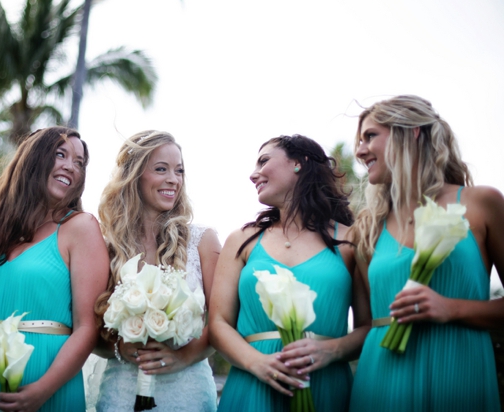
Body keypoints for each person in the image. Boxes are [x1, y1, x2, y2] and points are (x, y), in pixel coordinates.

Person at [349, 95, 503, 411]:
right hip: (381, 379)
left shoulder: (481, 203)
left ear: (412, 132)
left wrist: (452, 308)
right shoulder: (367, 228)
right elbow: (364, 324)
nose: (360, 150)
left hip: (460, 373)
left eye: (370, 136)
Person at [0, 126, 109, 412]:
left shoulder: (81, 228)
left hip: (46, 381)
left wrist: (42, 390)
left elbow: (87, 327)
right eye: (61, 154)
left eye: (79, 162)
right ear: (33, 159)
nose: (71, 166)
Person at [209, 134, 370, 412]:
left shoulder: (352, 240)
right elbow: (218, 323)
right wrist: (255, 362)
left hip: (325, 386)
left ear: (298, 163)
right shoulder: (242, 240)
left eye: (263, 161)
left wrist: (331, 351)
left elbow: (370, 327)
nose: (253, 174)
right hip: (251, 387)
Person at [93, 130, 221, 411]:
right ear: (134, 176)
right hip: (120, 394)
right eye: (161, 169)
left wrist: (184, 357)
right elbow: (89, 332)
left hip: (188, 394)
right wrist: (119, 349)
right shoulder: (107, 248)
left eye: (179, 171)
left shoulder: (204, 241)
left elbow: (223, 322)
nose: (173, 179)